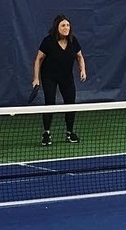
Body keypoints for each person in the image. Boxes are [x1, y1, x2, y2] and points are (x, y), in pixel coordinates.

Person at [32, 14, 87, 146]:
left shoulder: (73, 41)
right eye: (63, 25)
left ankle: (69, 133)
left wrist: (83, 70)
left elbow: (80, 57)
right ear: (57, 27)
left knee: (70, 104)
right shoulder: (48, 41)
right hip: (49, 76)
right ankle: (46, 133)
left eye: (68, 25)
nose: (66, 28)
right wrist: (36, 78)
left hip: (66, 77)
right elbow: (38, 59)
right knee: (49, 103)